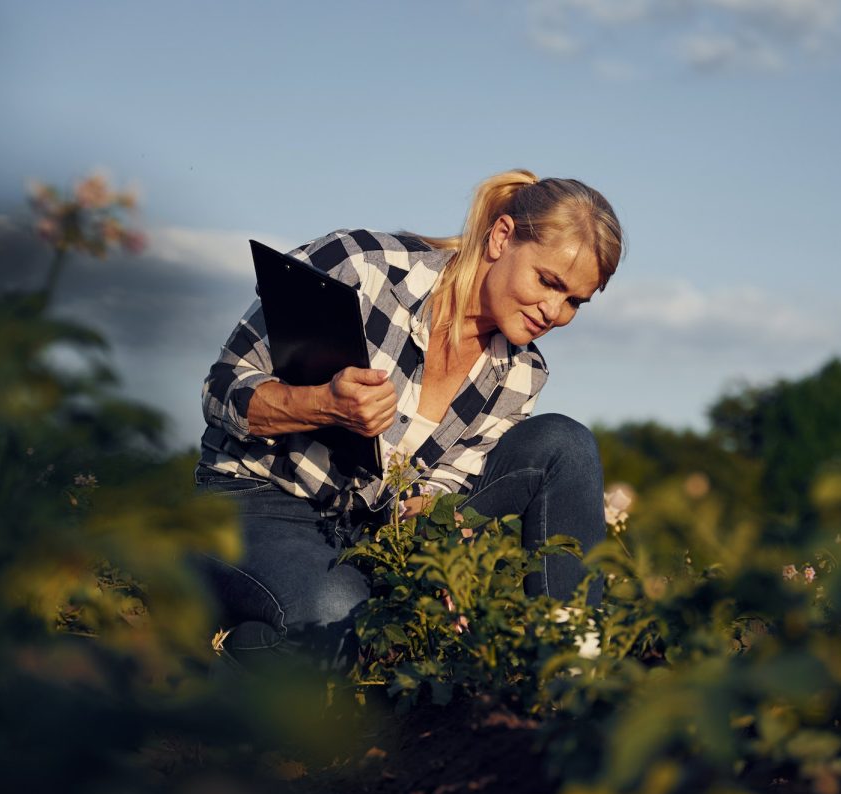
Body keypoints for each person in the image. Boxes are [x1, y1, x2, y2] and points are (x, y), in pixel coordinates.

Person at [194, 169, 624, 670]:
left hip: (371, 534)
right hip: (259, 501)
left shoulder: (521, 373)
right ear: (501, 237)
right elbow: (221, 388)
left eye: (574, 301)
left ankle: (570, 668)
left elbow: (436, 493)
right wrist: (322, 404)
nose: (554, 311)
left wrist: (443, 554)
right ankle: (206, 650)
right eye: (548, 282)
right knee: (337, 618)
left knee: (564, 442)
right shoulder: (359, 268)